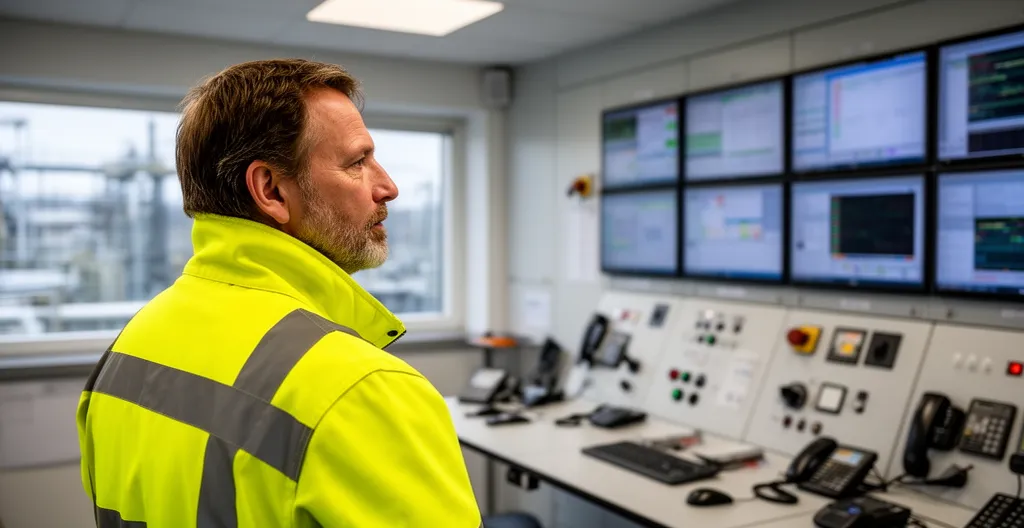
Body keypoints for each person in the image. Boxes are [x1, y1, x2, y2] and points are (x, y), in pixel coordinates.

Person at [76, 59, 482, 527]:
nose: (388, 187)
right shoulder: (360, 390)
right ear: (270, 190)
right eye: (358, 162)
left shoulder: (129, 349)